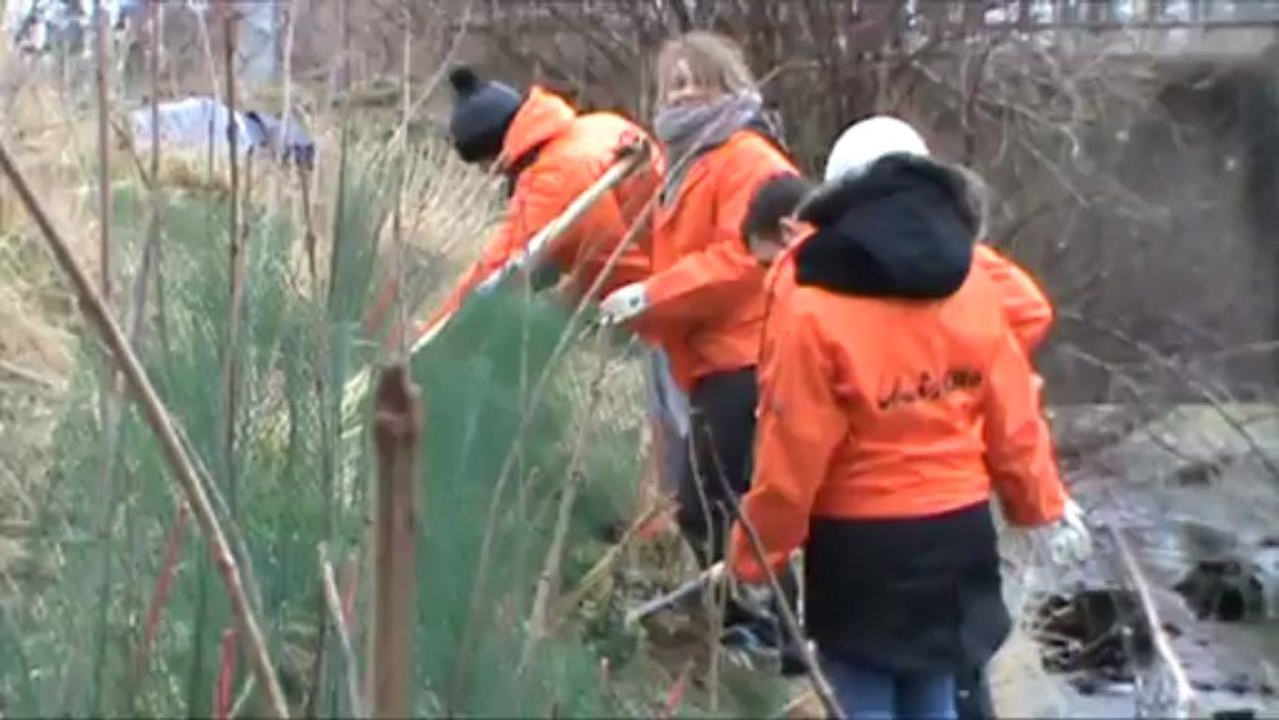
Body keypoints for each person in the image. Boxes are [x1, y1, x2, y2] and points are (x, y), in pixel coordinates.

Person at [725, 115, 1092, 719]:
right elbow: (1013, 417)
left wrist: (755, 556)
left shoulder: (812, 295)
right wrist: (1041, 509)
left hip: (858, 545)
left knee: (863, 694)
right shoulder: (973, 281)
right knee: (936, 693)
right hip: (957, 534)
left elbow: (793, 450)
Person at [596, 31, 801, 661]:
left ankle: (771, 629)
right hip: (704, 356)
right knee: (718, 501)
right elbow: (668, 236)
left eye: (697, 79)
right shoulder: (683, 163)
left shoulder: (749, 160)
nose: (685, 91)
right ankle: (766, 627)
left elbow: (746, 257)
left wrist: (655, 295)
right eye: (674, 82)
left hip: (748, 354)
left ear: (727, 80)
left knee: (717, 501)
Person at [402, 66, 661, 342]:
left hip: (660, 310)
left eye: (482, 164)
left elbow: (497, 272)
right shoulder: (600, 125)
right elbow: (606, 234)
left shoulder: (554, 176)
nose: (486, 173)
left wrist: (433, 334)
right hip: (676, 272)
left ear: (495, 151)